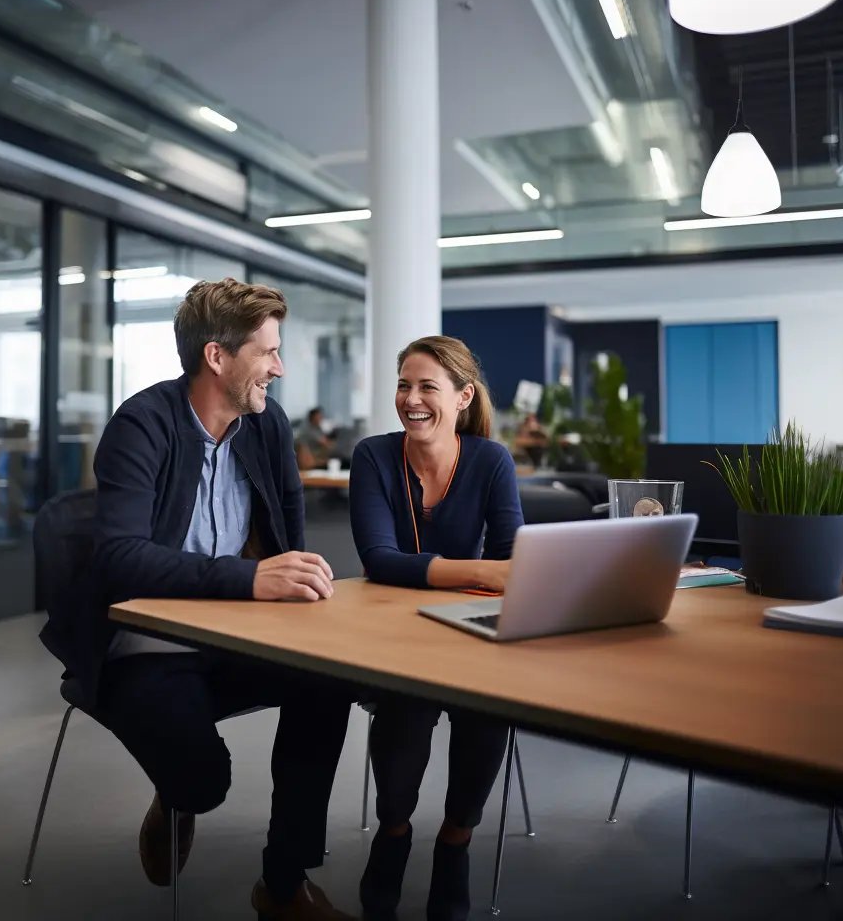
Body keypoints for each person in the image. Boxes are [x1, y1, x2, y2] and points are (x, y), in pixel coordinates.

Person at [40, 278, 355, 921]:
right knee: (204, 780)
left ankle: (284, 884)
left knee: (326, 682)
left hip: (237, 636)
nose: (279, 366)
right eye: (267, 351)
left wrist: (296, 594)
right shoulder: (142, 424)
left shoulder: (266, 427)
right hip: (144, 646)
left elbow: (286, 540)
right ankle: (178, 797)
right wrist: (248, 579)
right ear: (218, 357)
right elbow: (121, 559)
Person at [348, 335, 524, 921]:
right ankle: (393, 833)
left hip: (468, 627)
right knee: (406, 708)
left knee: (486, 706)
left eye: (427, 386)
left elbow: (513, 560)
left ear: (463, 396)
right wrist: (478, 570)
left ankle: (455, 841)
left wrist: (484, 574)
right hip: (395, 634)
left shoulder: (490, 460)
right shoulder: (374, 456)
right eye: (404, 385)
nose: (412, 399)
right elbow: (379, 558)